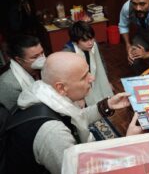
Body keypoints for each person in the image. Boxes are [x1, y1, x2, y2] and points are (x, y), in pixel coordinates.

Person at [6, 52, 141, 174]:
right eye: (84, 77)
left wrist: (107, 105)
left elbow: (77, 117)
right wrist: (129, 142)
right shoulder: (53, 134)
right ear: (61, 87)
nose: (92, 78)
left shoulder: (46, 92)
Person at [63, 21, 113, 106]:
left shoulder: (93, 43)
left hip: (92, 79)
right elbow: (68, 79)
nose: (90, 43)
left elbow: (101, 61)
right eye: (84, 40)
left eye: (91, 38)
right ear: (76, 42)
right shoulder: (68, 52)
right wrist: (78, 98)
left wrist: (106, 80)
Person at [0, 35, 45, 110]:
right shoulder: (8, 85)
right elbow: (15, 116)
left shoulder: (44, 68)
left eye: (42, 53)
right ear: (19, 60)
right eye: (35, 57)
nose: (42, 59)